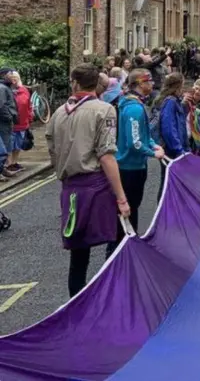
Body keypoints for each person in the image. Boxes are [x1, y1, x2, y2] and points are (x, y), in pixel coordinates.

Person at [45, 63, 129, 298]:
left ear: (74, 82)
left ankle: (76, 304)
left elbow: (52, 148)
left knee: (78, 255)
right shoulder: (104, 110)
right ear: (97, 84)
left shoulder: (60, 112)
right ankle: (113, 296)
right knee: (117, 240)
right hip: (96, 186)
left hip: (70, 187)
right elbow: (106, 155)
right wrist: (121, 197)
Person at [108, 69, 164, 258]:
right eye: (149, 81)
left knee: (131, 211)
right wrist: (151, 152)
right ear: (140, 83)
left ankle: (127, 250)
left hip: (132, 167)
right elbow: (135, 142)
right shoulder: (134, 108)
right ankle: (120, 254)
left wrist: (154, 145)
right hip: (130, 169)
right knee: (128, 213)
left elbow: (143, 136)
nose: (153, 84)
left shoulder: (133, 104)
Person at [154, 72, 188, 202]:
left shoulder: (170, 100)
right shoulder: (171, 102)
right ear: (178, 86)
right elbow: (169, 128)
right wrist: (179, 149)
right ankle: (163, 211)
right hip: (171, 150)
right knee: (167, 181)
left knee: (168, 180)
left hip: (171, 148)